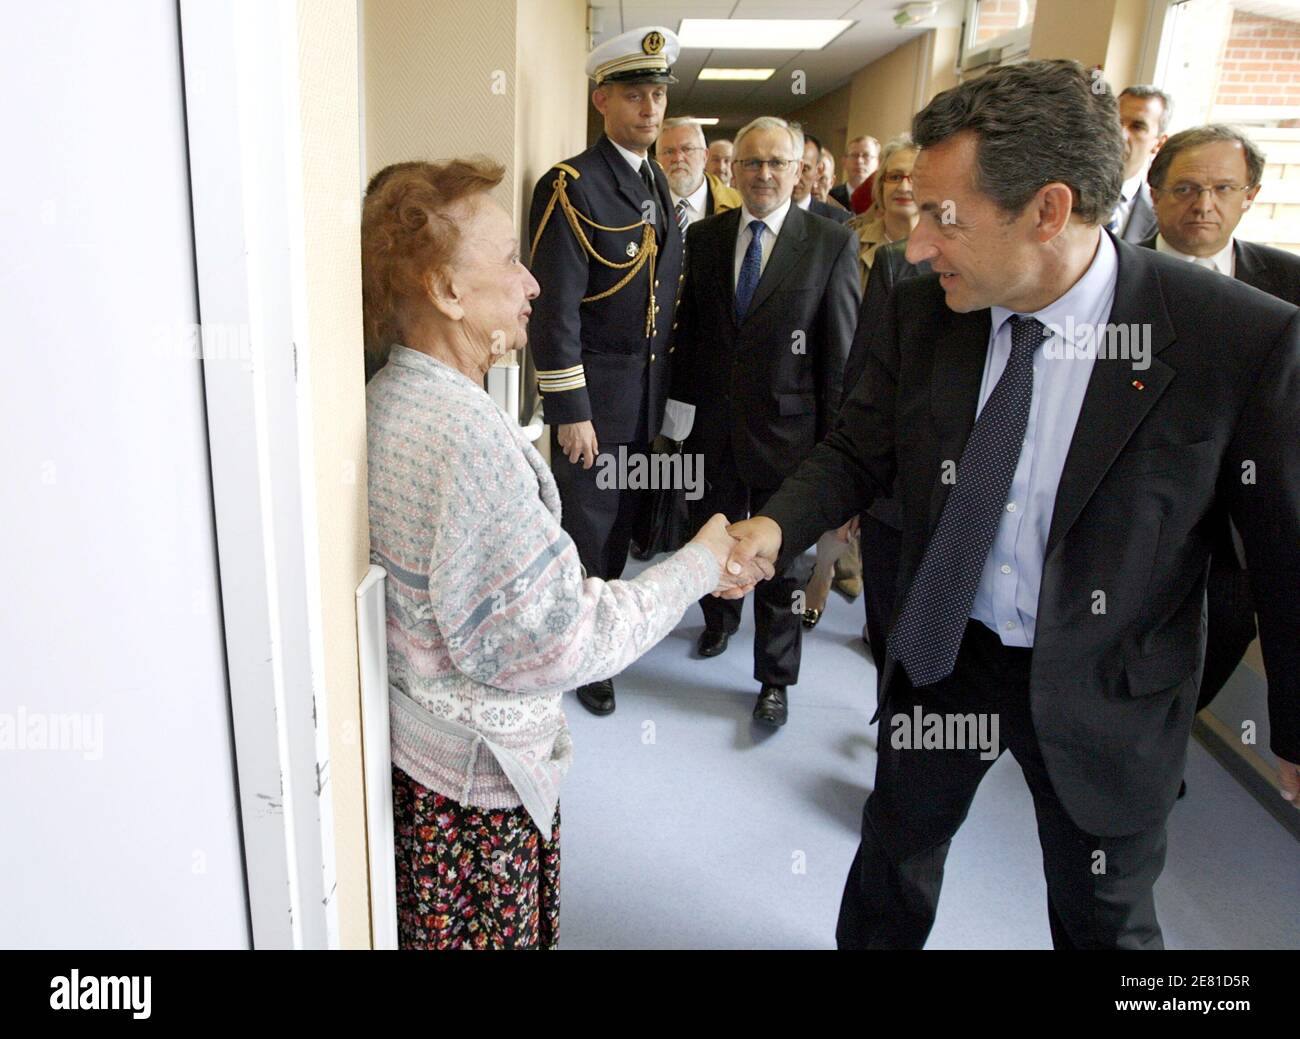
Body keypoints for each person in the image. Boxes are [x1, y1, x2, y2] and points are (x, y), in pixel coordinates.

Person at [725, 60, 1300, 948]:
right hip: (948, 650)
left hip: (1106, 684)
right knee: (894, 858)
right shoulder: (922, 308)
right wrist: (773, 526)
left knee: (1102, 915)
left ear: (1049, 210)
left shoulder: (1236, 337)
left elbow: (1284, 548)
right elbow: (855, 449)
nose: (915, 244)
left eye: (942, 218)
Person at [363, 158, 769, 950]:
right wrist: (699, 561)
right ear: (445, 290)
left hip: (431, 775)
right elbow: (567, 637)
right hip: (478, 802)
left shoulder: (395, 395)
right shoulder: (466, 441)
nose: (533, 283)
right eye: (511, 259)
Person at [671, 115, 860, 728]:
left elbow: (837, 357)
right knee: (715, 537)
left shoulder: (830, 243)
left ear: (798, 169)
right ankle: (719, 623)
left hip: (792, 439)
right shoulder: (705, 238)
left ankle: (774, 680)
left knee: (786, 565)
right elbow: (692, 341)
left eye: (777, 163)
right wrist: (678, 430)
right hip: (714, 434)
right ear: (734, 169)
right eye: (752, 162)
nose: (763, 174)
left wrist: (837, 452)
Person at [526, 26, 685, 717]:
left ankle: (605, 637)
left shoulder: (657, 184)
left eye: (656, 94)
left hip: (643, 400)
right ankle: (581, 654)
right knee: (586, 530)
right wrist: (569, 411)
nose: (649, 108)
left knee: (619, 528)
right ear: (602, 100)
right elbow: (553, 308)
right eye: (634, 94)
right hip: (593, 403)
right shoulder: (573, 184)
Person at [1142, 123, 1300, 719]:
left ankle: (1161, 752)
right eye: (1185, 188)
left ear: (1250, 195)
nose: (1203, 205)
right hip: (1134, 521)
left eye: (1223, 188)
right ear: (1154, 194)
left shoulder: (1290, 287)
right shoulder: (1104, 276)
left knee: (1211, 656)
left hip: (1238, 537)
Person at [803, 135, 920, 632]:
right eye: (893, 176)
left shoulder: (949, 246)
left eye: (914, 177)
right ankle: (822, 577)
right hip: (855, 380)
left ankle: (879, 603)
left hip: (911, 392)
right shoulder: (851, 235)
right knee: (844, 493)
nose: (903, 186)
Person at [656, 116, 742, 235]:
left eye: (687, 149)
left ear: (705, 156)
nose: (678, 159)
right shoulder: (642, 204)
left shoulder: (738, 204)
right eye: (668, 152)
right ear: (657, 159)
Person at [1109, 84, 1171, 242]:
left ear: (1159, 144)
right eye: (1116, 122)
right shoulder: (1067, 193)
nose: (1121, 135)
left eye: (1137, 127)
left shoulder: (1163, 215)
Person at [792, 132, 852, 225]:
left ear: (818, 171)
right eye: (791, 168)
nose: (796, 177)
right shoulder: (763, 213)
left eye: (804, 169)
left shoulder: (842, 222)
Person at [834, 135, 879, 212]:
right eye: (854, 155)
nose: (859, 161)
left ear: (878, 162)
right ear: (844, 162)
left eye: (866, 155)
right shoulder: (831, 197)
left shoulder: (882, 200)